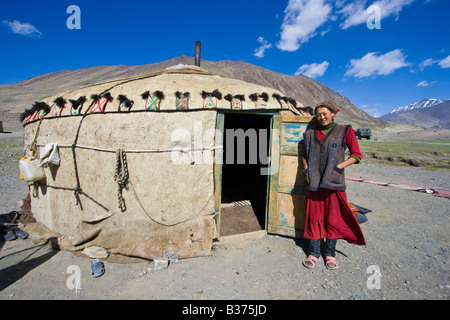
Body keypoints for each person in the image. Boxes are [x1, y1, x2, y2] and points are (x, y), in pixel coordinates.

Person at [301, 101, 366, 270]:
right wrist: (306, 168)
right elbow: (303, 154)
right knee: (314, 219)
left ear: (333, 113)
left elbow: (356, 155)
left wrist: (340, 166)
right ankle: (314, 253)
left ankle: (330, 254)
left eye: (325, 114)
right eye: (319, 115)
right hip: (314, 182)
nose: (322, 117)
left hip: (333, 182)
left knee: (333, 218)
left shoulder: (345, 130)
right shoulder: (309, 134)